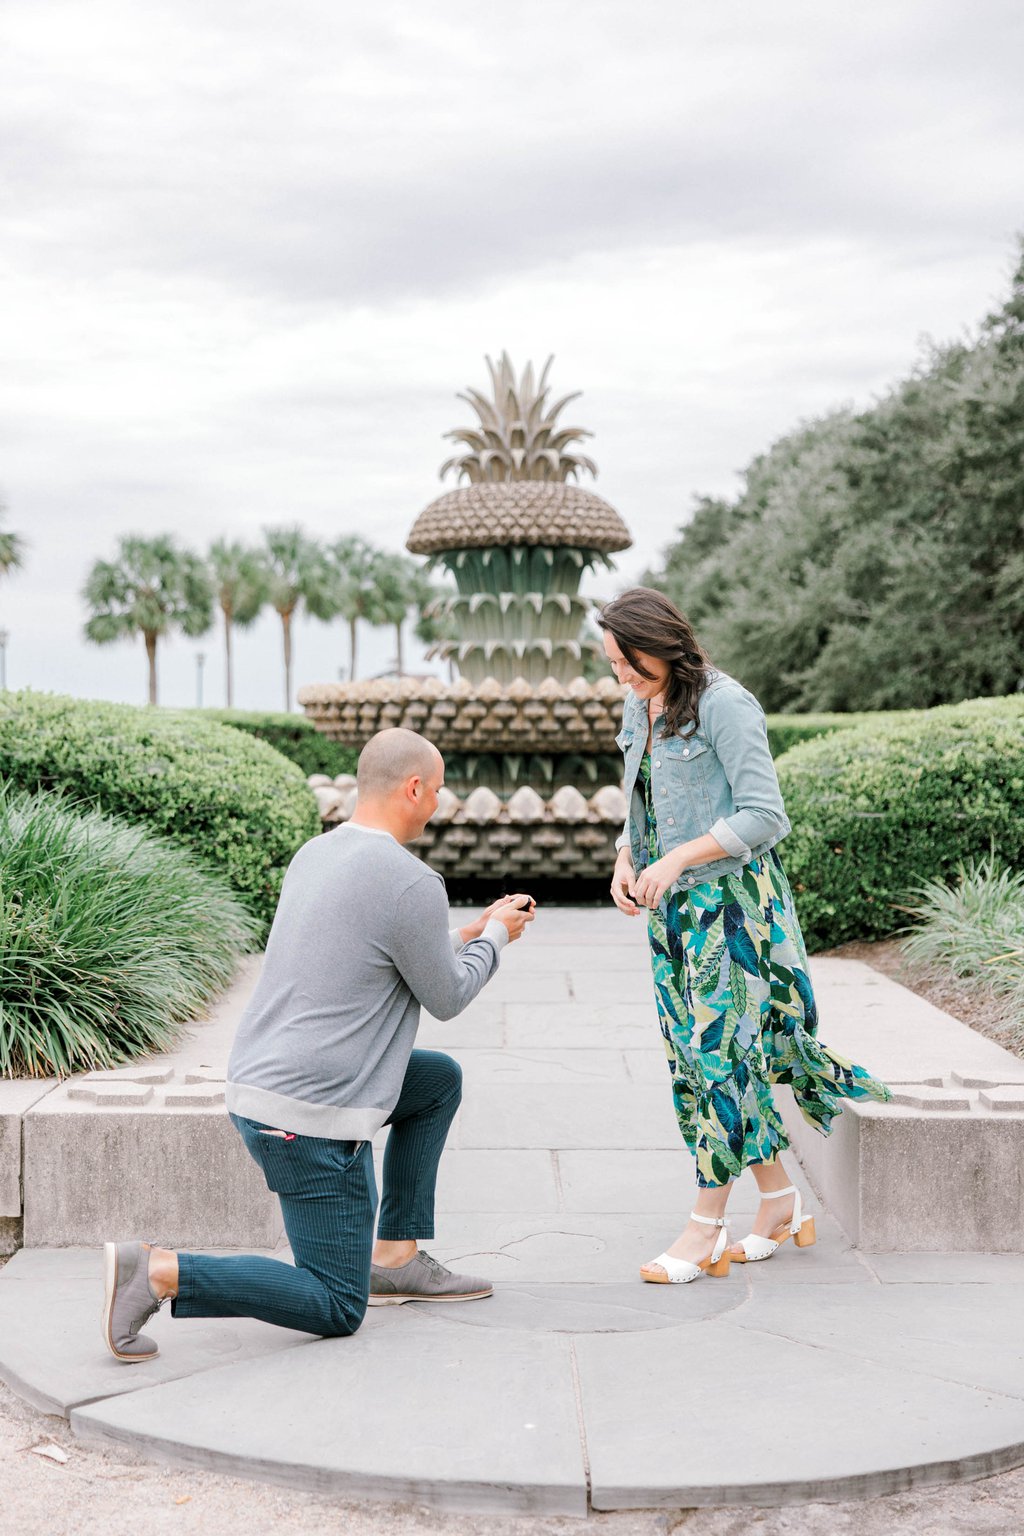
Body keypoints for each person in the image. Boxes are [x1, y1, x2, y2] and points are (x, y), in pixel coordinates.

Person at [102, 727, 535, 1361]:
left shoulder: (317, 852)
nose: (438, 805)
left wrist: (468, 930)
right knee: (335, 1303)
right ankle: (160, 1271)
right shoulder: (412, 881)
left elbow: (368, 954)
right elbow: (446, 998)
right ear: (414, 788)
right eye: (437, 792)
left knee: (436, 1081)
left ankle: (395, 1256)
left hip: (263, 1083)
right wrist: (495, 938)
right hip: (307, 1118)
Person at [599, 588, 890, 1284]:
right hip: (672, 909)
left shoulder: (726, 703)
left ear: (663, 643)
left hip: (730, 908)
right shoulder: (639, 704)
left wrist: (675, 859)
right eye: (612, 663)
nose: (621, 676)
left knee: (718, 1056)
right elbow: (644, 799)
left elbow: (765, 815)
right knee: (698, 1058)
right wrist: (626, 857)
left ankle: (705, 1228)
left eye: (629, 661)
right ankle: (781, 1200)